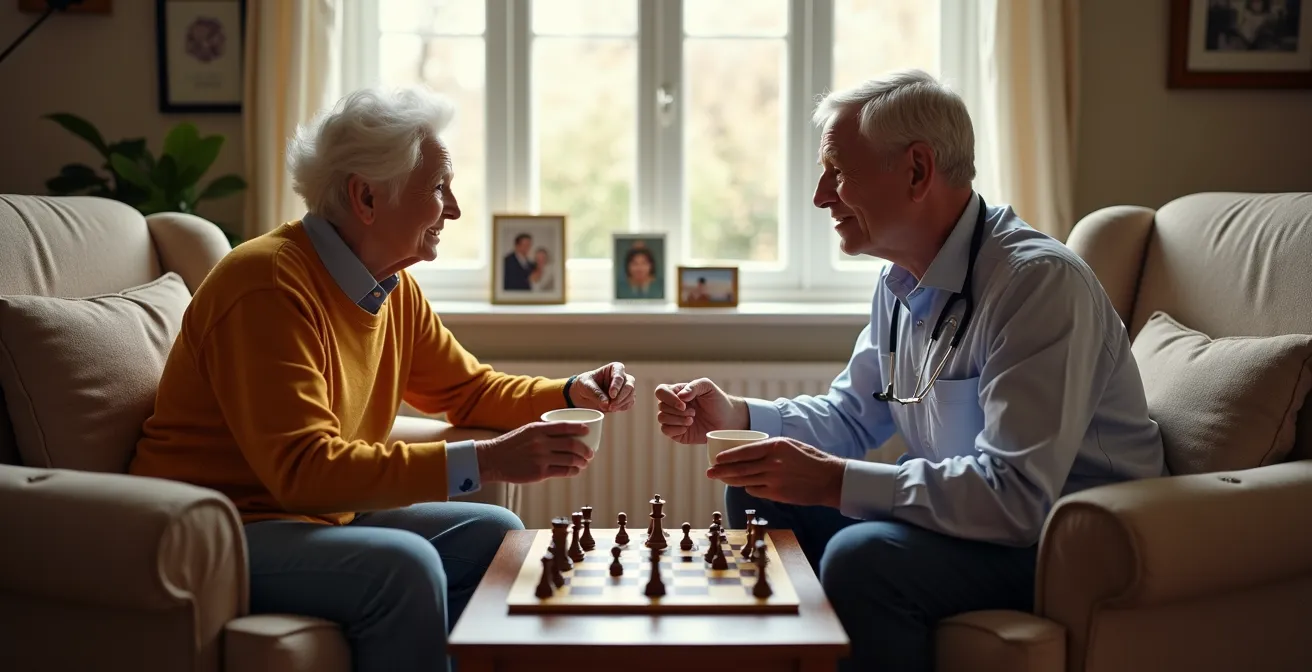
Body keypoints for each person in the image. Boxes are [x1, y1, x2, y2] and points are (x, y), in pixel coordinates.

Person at [655, 69, 1166, 672]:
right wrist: (739, 416)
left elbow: (1016, 499)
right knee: (757, 479)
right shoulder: (898, 280)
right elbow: (852, 416)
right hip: (975, 517)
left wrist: (833, 481)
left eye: (838, 172)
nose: (821, 195)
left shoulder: (1036, 284)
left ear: (918, 171)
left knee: (862, 559)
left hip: (1061, 541)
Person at [129, 86, 637, 672]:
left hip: (312, 516)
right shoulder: (267, 285)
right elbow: (303, 471)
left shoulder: (391, 289)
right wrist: (490, 461)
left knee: (496, 533)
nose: (454, 209)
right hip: (219, 528)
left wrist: (572, 393)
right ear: (366, 197)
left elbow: (469, 390)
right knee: (406, 565)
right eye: (439, 188)